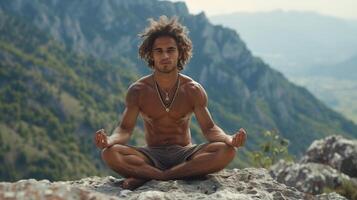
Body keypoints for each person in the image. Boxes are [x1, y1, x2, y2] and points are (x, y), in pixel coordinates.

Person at [94, 15, 247, 190]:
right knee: (110, 154)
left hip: (185, 154)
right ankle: (170, 175)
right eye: (158, 51)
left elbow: (209, 129)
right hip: (150, 155)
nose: (165, 55)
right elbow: (125, 129)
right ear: (150, 54)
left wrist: (229, 139)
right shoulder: (138, 91)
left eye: (170, 50)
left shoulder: (192, 89)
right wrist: (109, 140)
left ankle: (150, 176)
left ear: (180, 52)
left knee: (226, 151)